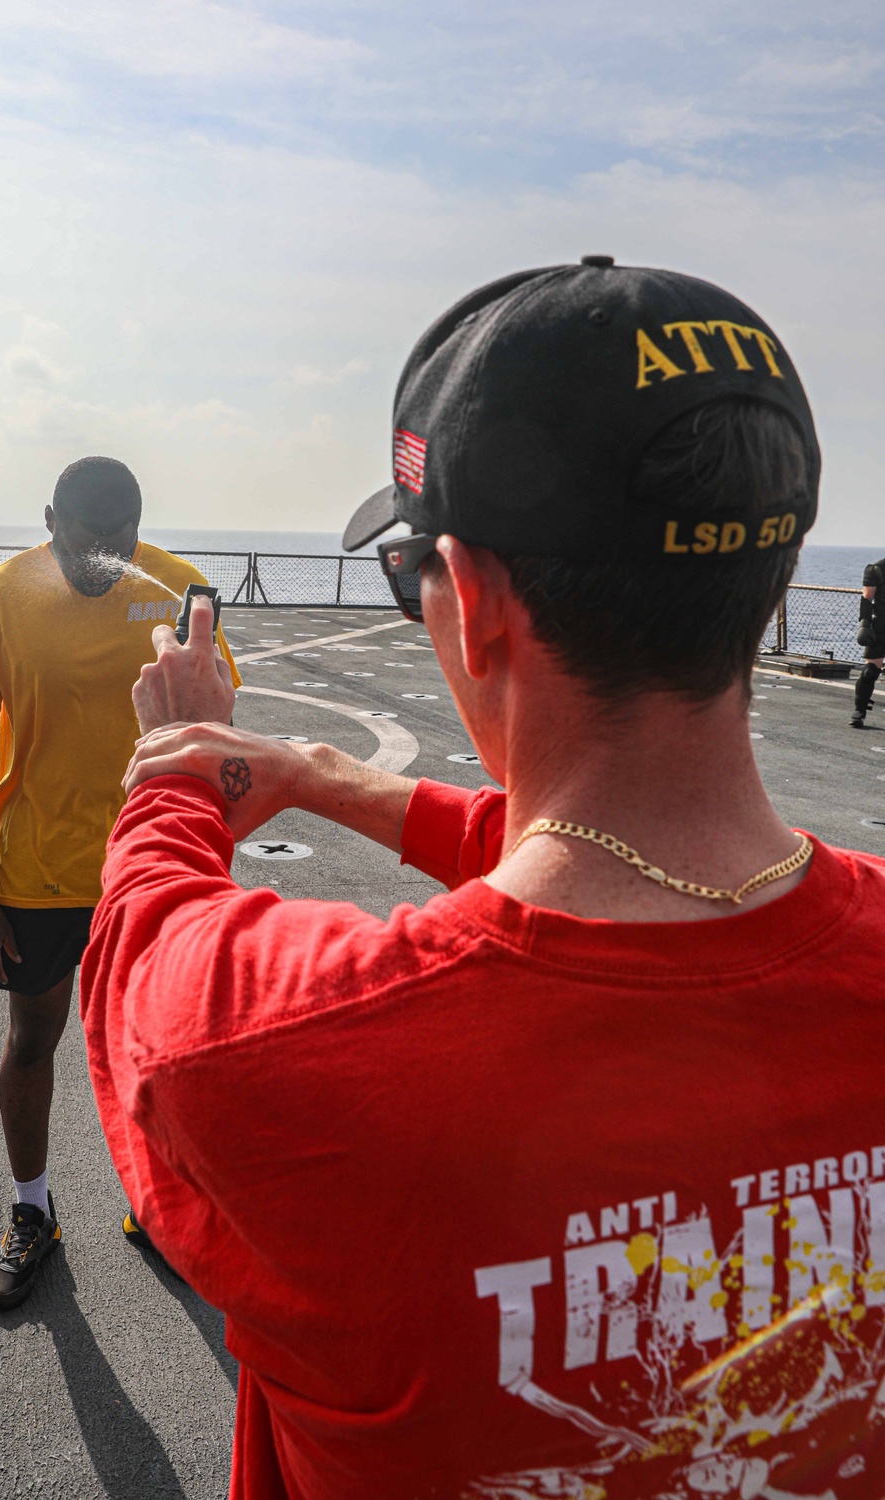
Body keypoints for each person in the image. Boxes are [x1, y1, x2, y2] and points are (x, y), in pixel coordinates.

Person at [81, 263, 885, 1498]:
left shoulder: (270, 1049)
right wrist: (334, 777)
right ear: (769, 583)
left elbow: (145, 936)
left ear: (480, 607)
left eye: (417, 579)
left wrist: (178, 763)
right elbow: (611, 852)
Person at [0, 455, 241, 1311]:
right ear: (50, 519)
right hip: (37, 872)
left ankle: (154, 1206)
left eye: (121, 541)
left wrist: (207, 861)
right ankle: (34, 1213)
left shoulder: (181, 595)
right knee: (34, 1042)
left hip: (154, 868)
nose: (104, 559)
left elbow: (216, 732)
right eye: (84, 541)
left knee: (163, 1050)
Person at [850, 557, 885, 726]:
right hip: (881, 626)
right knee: (870, 672)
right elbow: (867, 598)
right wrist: (864, 624)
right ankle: (860, 711)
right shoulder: (876, 569)